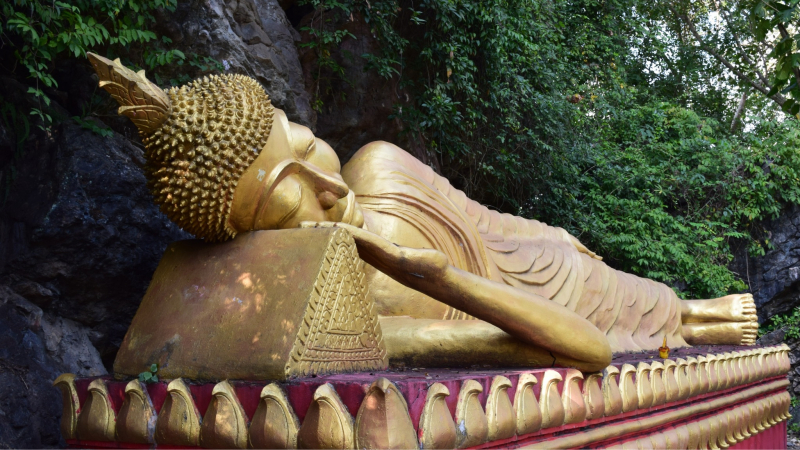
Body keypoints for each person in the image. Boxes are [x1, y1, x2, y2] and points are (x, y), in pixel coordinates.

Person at [88, 53, 758, 372]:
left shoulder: (376, 162)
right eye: (290, 206)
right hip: (526, 305)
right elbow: (587, 348)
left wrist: (556, 242)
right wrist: (435, 280)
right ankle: (693, 317)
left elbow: (488, 222)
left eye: (309, 146)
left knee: (628, 291)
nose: (327, 187)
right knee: (628, 317)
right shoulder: (343, 309)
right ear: (253, 246)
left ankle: (692, 311)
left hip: (537, 262)